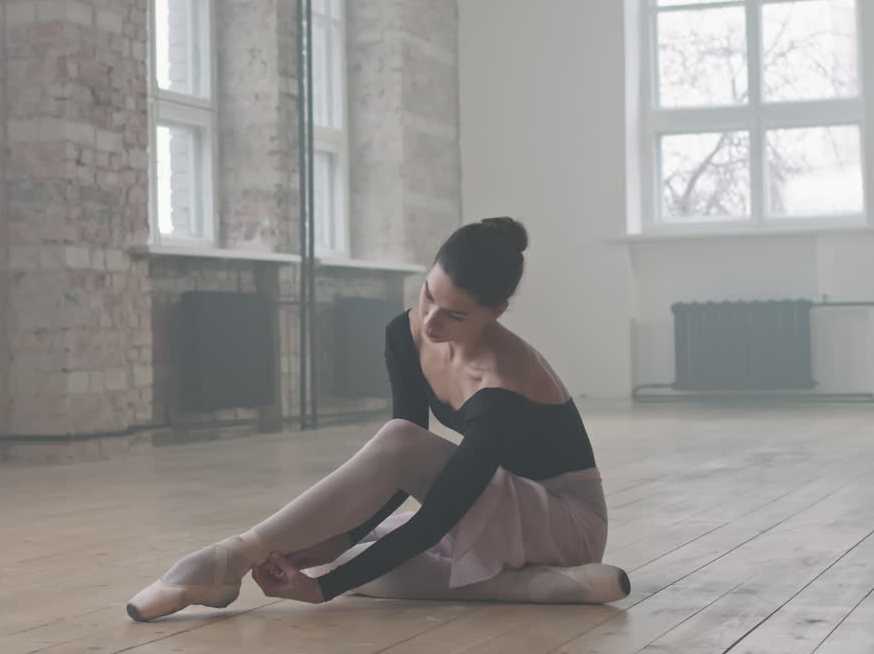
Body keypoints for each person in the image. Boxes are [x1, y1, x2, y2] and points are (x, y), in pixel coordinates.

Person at [126, 217, 629, 622]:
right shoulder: (405, 335)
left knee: (345, 549)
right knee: (325, 555)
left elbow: (435, 502)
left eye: (455, 315)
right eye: (428, 295)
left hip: (563, 523)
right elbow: (397, 473)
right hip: (492, 503)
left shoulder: (506, 378)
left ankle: (225, 560)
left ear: (495, 313)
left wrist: (323, 592)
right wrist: (341, 541)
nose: (431, 321)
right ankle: (519, 586)